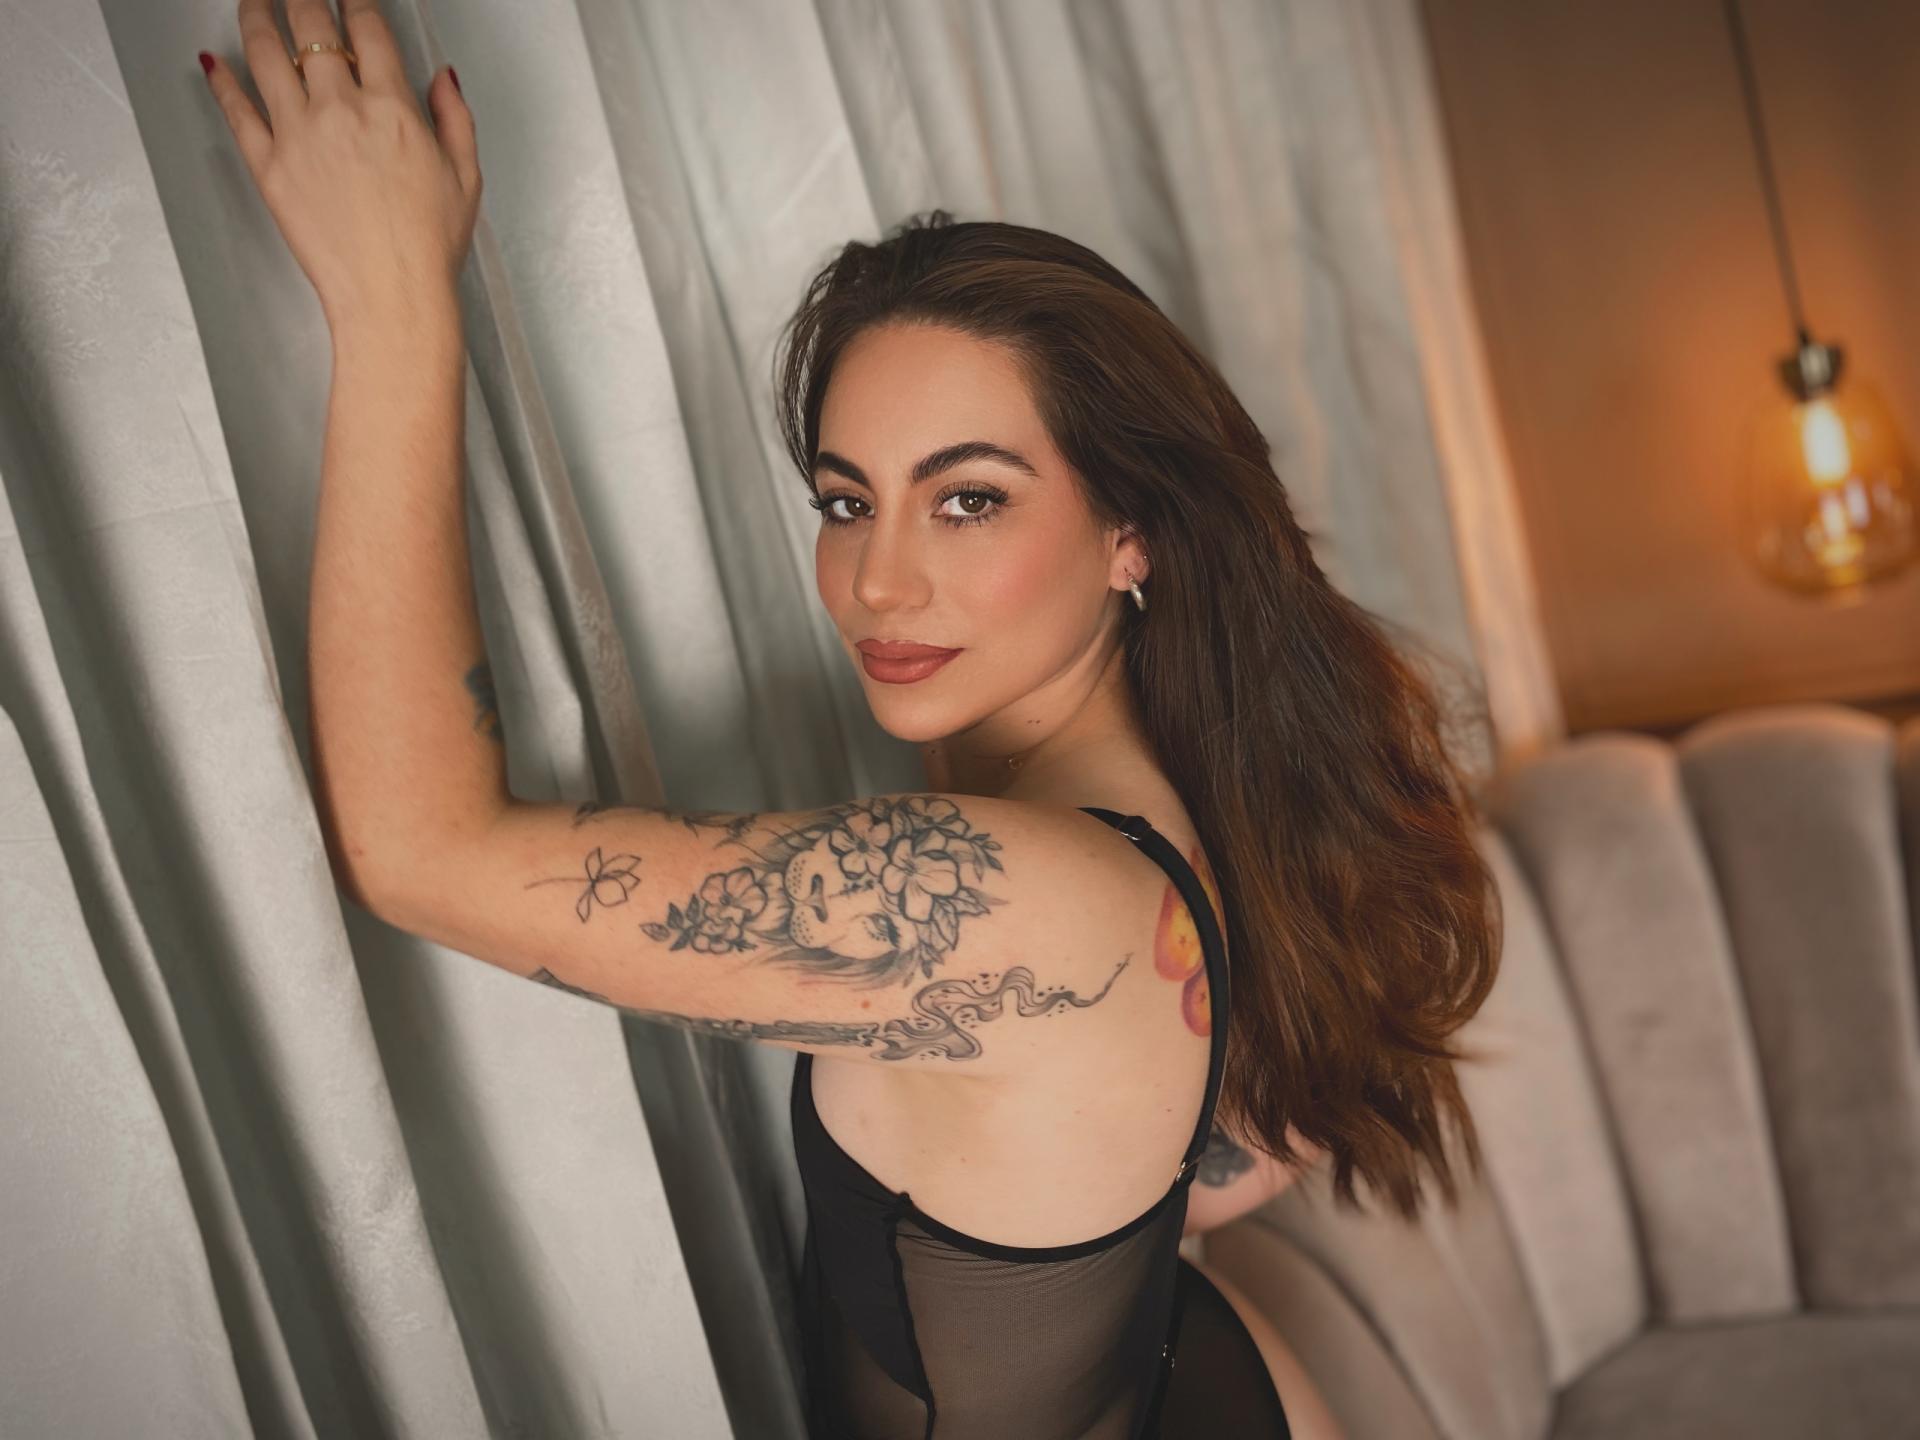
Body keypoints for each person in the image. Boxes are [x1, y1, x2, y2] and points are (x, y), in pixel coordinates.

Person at [203, 4, 1501, 1436]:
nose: (878, 579)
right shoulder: (1179, 797)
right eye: (845, 500)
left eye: (968, 499)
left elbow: (418, 851)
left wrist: (394, 302)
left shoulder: (1005, 893)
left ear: (1133, 531)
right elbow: (1225, 1143)